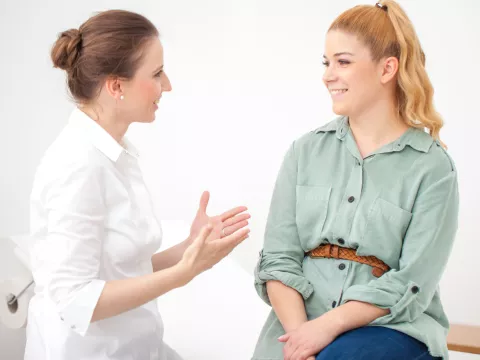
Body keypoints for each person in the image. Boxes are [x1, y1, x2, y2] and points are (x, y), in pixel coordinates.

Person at [25, 9, 250, 360]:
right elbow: (74, 302)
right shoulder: (77, 166)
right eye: (157, 73)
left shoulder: (115, 153)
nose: (168, 85)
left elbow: (123, 270)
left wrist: (190, 248)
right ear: (116, 86)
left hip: (137, 348)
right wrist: (183, 273)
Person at [252, 1, 458, 359]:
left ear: (387, 69)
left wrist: (326, 328)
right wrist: (302, 336)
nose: (328, 75)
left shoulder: (433, 167)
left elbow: (412, 281)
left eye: (343, 62)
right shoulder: (305, 152)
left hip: (390, 329)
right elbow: (278, 260)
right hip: (295, 326)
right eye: (326, 62)